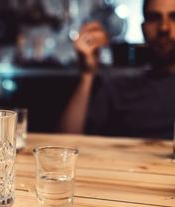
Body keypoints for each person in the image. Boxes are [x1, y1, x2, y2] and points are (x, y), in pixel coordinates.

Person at [59, 0, 175, 139]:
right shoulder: (120, 86)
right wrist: (87, 74)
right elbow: (65, 144)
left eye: (174, 17)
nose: (164, 28)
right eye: (154, 18)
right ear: (143, 28)